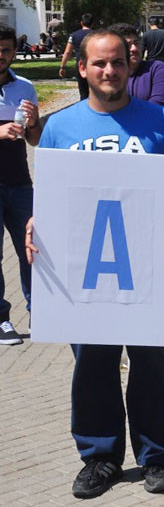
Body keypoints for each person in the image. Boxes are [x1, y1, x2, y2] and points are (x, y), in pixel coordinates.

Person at [27, 29, 164, 498]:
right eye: (100, 63)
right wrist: (35, 224)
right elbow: (54, 197)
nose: (109, 71)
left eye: (118, 62)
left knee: (151, 365)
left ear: (131, 65)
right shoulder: (60, 128)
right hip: (85, 271)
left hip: (146, 267)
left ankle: (157, 457)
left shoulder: (161, 121)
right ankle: (100, 458)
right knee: (94, 366)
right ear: (82, 68)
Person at [0, 23, 40, 345]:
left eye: (6, 50)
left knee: (32, 250)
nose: (1, 56)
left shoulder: (25, 87)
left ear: (14, 51)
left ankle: (40, 312)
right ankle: (2, 320)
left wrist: (35, 122)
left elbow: (35, 141)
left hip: (19, 183)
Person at [108, 23, 164, 108]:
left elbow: (160, 105)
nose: (134, 48)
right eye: (127, 45)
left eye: (136, 43)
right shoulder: (108, 74)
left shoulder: (156, 69)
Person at [59, 13, 95, 100]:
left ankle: (83, 110)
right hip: (94, 65)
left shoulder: (74, 35)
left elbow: (67, 52)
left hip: (80, 65)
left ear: (81, 23)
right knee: (94, 91)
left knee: (83, 91)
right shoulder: (96, 35)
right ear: (93, 24)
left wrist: (62, 67)